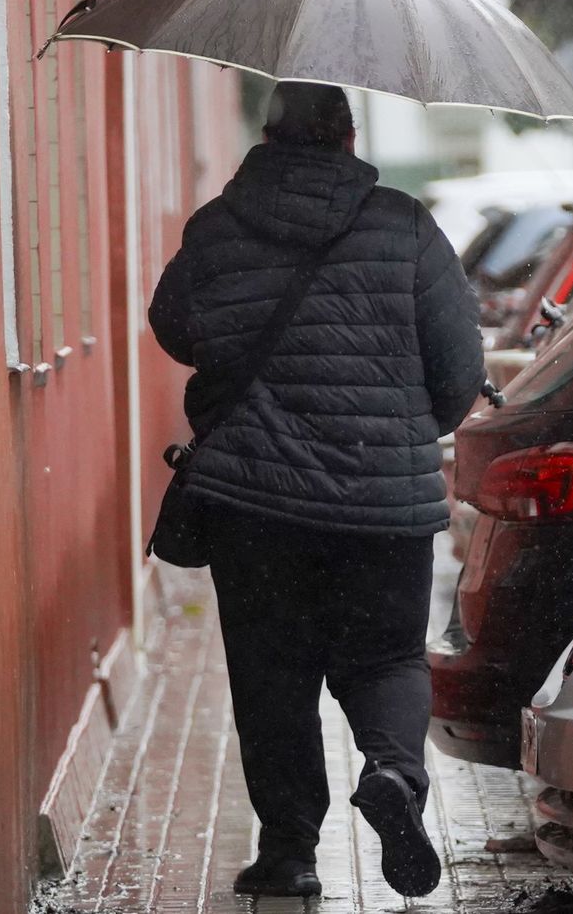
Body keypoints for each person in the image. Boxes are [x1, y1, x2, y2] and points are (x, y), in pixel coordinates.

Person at [148, 82, 485, 898]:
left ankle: (290, 850)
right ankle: (396, 775)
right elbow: (460, 372)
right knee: (387, 657)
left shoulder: (218, 225)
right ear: (348, 137)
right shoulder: (405, 224)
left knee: (272, 674)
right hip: (384, 499)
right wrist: (401, 426)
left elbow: (174, 326)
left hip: (255, 505)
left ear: (269, 135)